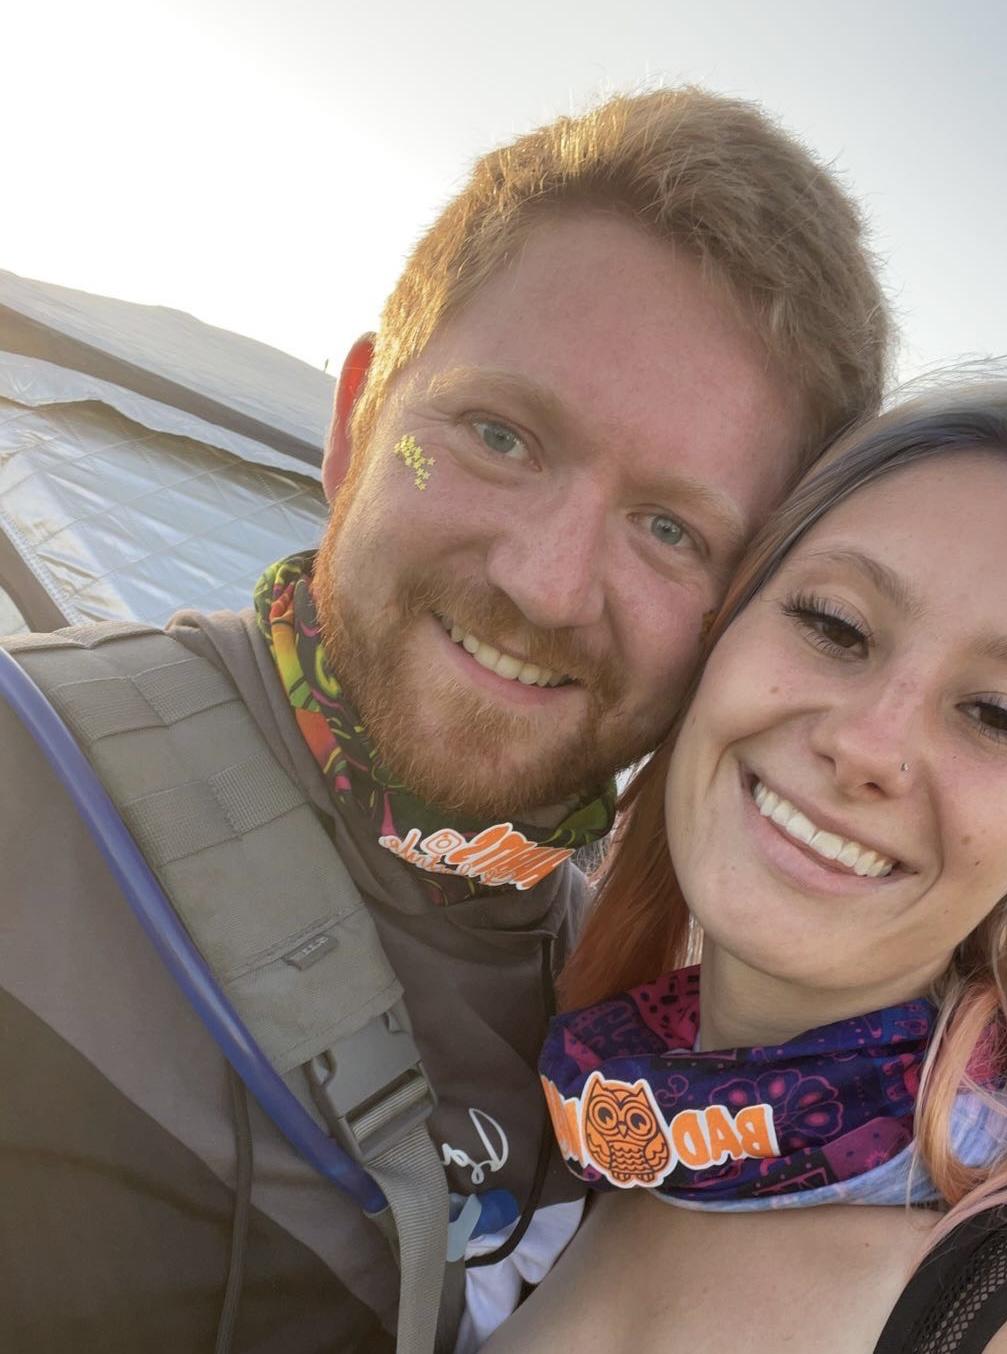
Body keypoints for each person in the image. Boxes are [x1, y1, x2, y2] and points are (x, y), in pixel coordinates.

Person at [0, 87, 891, 1352]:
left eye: (671, 529)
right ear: (359, 420)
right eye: (499, 434)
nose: (544, 580)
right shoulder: (27, 787)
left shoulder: (650, 1035)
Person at [489, 371, 1007, 1353]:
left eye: (1001, 714)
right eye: (834, 624)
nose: (868, 744)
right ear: (723, 629)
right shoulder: (581, 1108)